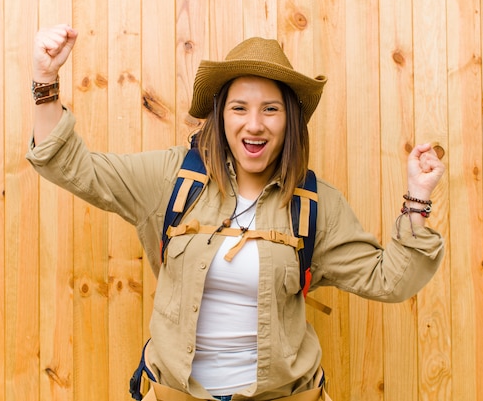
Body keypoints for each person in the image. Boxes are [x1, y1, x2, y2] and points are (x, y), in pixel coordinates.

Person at [27, 24, 445, 401]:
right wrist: (45, 81)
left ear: (290, 119)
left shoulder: (315, 204)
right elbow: (70, 166)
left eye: (271, 109)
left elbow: (390, 280)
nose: (255, 124)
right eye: (239, 108)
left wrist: (418, 198)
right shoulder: (171, 178)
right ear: (220, 115)